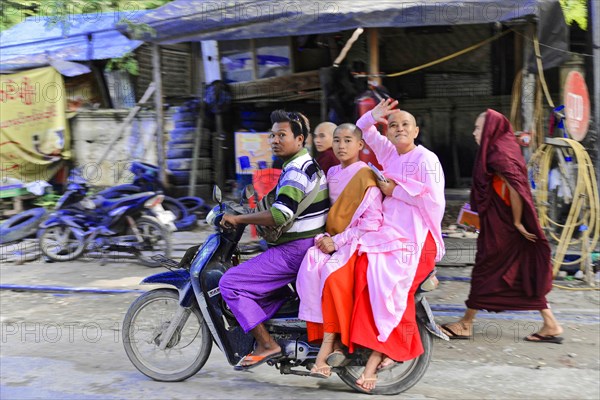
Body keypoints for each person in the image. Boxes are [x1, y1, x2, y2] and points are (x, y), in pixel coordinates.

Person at [439, 109, 563, 343]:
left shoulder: (498, 153)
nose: (474, 133)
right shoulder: (500, 148)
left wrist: (517, 221)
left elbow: (515, 187)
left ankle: (466, 323)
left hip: (505, 227)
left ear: (490, 130)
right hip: (501, 225)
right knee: (518, 273)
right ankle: (551, 324)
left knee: (486, 271)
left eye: (478, 128)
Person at [219, 110, 329, 369]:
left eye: (282, 135)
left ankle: (267, 344)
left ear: (300, 139)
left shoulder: (295, 170)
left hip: (295, 250)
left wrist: (238, 220)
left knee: (231, 283)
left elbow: (281, 214)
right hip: (304, 246)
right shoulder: (306, 162)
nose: (275, 140)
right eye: (272, 135)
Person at [351, 98, 446, 391]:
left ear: (416, 131)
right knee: (360, 270)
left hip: (418, 241)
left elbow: (434, 200)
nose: (399, 129)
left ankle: (379, 356)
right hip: (389, 236)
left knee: (394, 290)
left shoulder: (426, 159)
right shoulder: (390, 154)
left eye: (405, 125)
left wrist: (395, 191)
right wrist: (372, 116)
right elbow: (363, 131)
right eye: (393, 125)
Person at [296, 123, 383, 379]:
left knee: (333, 279)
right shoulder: (331, 172)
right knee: (308, 270)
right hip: (327, 239)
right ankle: (323, 340)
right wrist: (322, 237)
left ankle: (330, 343)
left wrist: (339, 240)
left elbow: (372, 222)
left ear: (360, 145)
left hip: (355, 242)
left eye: (348, 140)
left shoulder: (367, 176)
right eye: (337, 140)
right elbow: (322, 210)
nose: (341, 146)